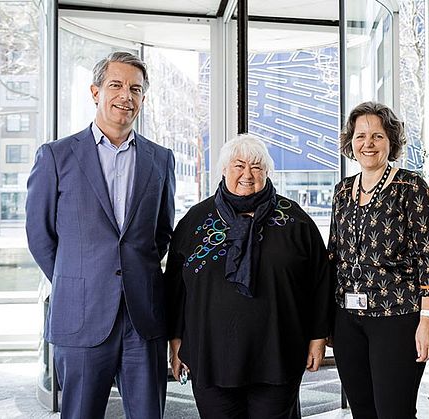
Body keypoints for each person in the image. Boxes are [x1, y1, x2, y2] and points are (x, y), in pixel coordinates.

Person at [25, 51, 175, 418]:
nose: (126, 95)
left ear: (143, 98)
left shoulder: (161, 159)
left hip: (143, 320)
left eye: (135, 89)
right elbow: (39, 235)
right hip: (81, 316)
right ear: (95, 92)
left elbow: (161, 234)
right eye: (116, 85)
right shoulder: (56, 156)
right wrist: (79, 278)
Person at [165, 134, 332, 419]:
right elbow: (175, 288)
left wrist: (318, 337)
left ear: (267, 172)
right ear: (223, 170)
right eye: (238, 165)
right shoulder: (195, 220)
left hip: (277, 353)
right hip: (210, 355)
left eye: (256, 167)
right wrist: (176, 341)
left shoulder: (295, 220)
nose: (247, 174)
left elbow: (321, 282)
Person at [328, 101, 429, 419]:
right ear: (351, 141)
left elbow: (428, 257)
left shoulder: (411, 186)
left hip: (397, 318)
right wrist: (327, 320)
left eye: (377, 136)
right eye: (361, 135)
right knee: (362, 411)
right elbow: (334, 255)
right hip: (347, 319)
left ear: (390, 141)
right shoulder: (341, 191)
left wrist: (427, 321)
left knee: (394, 412)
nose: (368, 144)